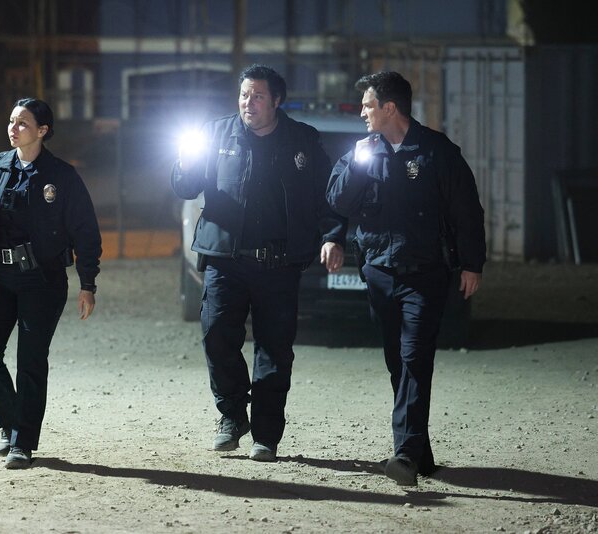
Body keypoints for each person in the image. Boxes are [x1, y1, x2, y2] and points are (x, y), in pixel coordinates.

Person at [171, 64, 346, 462]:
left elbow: (327, 194)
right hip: (225, 259)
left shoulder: (302, 140)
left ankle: (266, 435)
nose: (248, 103)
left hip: (279, 264)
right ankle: (232, 417)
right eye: (244, 95)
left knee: (274, 350)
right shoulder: (215, 135)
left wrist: (333, 235)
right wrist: (184, 161)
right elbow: (185, 187)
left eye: (258, 96)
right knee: (216, 334)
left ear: (276, 100)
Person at [327, 71, 486, 485]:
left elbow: (466, 210)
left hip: (425, 274)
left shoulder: (436, 152)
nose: (362, 112)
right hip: (379, 272)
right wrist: (357, 165)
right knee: (397, 362)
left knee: (415, 358)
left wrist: (472, 264)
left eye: (367, 105)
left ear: (389, 108)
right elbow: (338, 202)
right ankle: (421, 453)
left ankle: (404, 455)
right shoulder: (364, 151)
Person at [0, 97, 102, 469]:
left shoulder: (62, 176)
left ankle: (22, 443)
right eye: (11, 121)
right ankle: (10, 423)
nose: (14, 128)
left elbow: (85, 232)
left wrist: (88, 283)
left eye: (22, 123)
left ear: (42, 130)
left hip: (42, 279)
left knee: (31, 360)